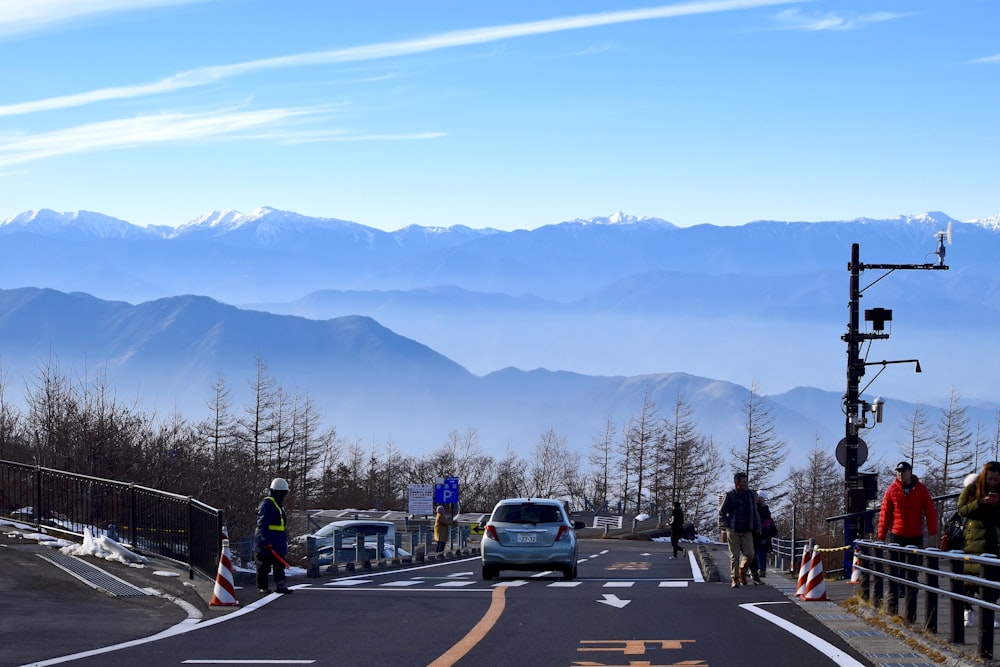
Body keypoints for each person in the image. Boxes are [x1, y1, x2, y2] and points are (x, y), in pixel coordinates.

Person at [958, 462, 1000, 628]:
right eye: (990, 479)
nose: (993, 482)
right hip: (972, 540)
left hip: (993, 541)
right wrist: (981, 502)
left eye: (997, 479)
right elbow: (962, 510)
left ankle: (989, 611)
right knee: (969, 580)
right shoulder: (972, 489)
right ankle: (968, 609)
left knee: (994, 581)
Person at [877, 461, 938, 547]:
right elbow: (885, 513)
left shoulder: (921, 489)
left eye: (903, 471)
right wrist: (881, 534)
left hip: (915, 535)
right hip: (897, 534)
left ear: (910, 472)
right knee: (896, 560)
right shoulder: (891, 490)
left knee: (915, 560)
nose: (901, 474)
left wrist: (932, 529)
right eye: (898, 471)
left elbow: (930, 510)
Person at [719, 472, 761, 588]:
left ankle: (742, 570)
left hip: (747, 529)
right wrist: (726, 525)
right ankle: (735, 578)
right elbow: (722, 512)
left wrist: (757, 526)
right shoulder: (730, 496)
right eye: (743, 482)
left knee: (750, 553)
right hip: (733, 529)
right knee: (735, 555)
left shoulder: (750, 495)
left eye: (746, 481)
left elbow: (754, 512)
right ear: (737, 483)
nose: (745, 484)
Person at [253, 477, 292, 594]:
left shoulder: (277, 504)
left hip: (277, 542)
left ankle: (280, 586)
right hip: (266, 542)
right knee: (263, 566)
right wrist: (266, 541)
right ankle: (263, 587)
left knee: (279, 565)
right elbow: (262, 524)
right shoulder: (267, 503)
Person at [754, 491, 778, 578]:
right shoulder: (762, 509)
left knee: (759, 552)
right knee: (759, 552)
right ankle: (760, 569)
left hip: (762, 534)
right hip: (762, 533)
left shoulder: (760, 508)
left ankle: (759, 569)